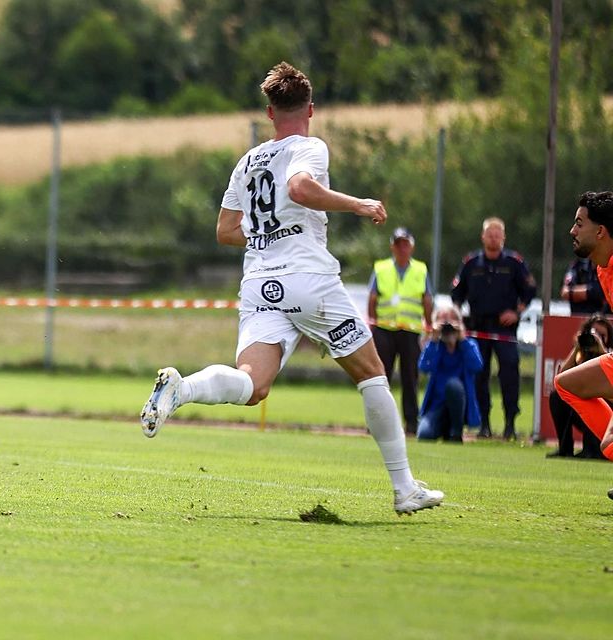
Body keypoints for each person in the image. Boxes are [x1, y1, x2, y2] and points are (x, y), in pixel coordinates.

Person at [139, 62, 443, 515]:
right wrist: (357, 204)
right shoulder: (309, 146)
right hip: (307, 278)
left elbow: (225, 230)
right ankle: (404, 488)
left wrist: (265, 230)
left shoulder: (247, 162)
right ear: (311, 110)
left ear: (269, 112)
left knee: (252, 384)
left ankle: (182, 390)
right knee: (372, 373)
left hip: (260, 283)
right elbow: (300, 188)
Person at [451, 217, 536, 440]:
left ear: (504, 237)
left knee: (509, 373)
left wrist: (516, 312)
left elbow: (529, 291)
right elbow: (457, 295)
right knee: (479, 375)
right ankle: (484, 424)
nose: (494, 238)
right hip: (478, 328)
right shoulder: (471, 263)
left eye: (498, 234)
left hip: (504, 330)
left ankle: (510, 424)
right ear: (482, 236)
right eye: (490, 234)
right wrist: (458, 315)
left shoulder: (514, 262)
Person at [553, 191, 613, 467]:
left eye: (579, 223)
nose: (572, 230)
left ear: (600, 231)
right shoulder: (602, 270)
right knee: (565, 384)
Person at [367, 227, 434, 434]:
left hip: (411, 331)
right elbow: (372, 298)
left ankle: (411, 423)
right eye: (398, 244)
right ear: (392, 247)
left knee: (410, 378)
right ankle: (377, 423)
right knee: (380, 378)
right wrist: (374, 324)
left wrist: (429, 325)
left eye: (405, 244)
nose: (402, 248)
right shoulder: (381, 268)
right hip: (385, 330)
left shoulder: (420, 270)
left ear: (411, 247)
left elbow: (427, 299)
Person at [547, 314, 611, 459]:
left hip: (606, 409)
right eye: (594, 333)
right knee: (556, 396)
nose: (597, 338)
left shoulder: (609, 353)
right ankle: (565, 448)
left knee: (597, 396)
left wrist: (601, 350)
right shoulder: (581, 354)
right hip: (582, 412)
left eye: (602, 335)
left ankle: (593, 450)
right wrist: (577, 348)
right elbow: (561, 378)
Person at [416, 305, 482, 442]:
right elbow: (423, 367)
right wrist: (433, 339)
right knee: (424, 435)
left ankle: (456, 432)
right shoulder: (435, 346)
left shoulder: (468, 344)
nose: (447, 326)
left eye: (451, 320)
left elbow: (477, 366)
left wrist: (462, 340)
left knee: (453, 385)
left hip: (460, 404)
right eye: (442, 321)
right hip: (437, 405)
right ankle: (445, 430)